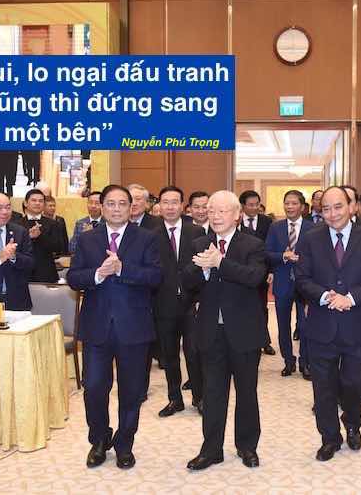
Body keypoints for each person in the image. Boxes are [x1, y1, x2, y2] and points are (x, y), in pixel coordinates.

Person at [67, 184, 161, 470]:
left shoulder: (147, 238)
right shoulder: (88, 239)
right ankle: (99, 439)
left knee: (131, 391)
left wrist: (122, 269)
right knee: (94, 388)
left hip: (134, 326)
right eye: (111, 203)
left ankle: (124, 444)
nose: (116, 209)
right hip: (96, 326)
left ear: (132, 207)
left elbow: (156, 276)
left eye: (122, 203)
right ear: (102, 206)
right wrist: (97, 274)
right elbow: (74, 277)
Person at [294, 186, 361, 461]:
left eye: (338, 207)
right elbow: (302, 278)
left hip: (358, 324)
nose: (332, 214)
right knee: (323, 387)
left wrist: (351, 298)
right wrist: (324, 296)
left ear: (352, 207)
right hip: (322, 325)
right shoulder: (310, 238)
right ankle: (329, 438)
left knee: (357, 384)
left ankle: (352, 420)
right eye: (326, 209)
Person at [184, 190, 268, 471]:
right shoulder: (200, 243)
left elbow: (254, 277)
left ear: (236, 215)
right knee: (213, 393)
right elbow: (187, 280)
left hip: (244, 331)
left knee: (246, 392)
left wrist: (220, 263)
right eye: (211, 211)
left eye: (222, 211)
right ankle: (211, 450)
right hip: (211, 330)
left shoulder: (252, 244)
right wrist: (204, 270)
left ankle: (247, 446)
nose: (215, 216)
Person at [152, 186, 206, 417]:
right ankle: (175, 399)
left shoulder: (196, 231)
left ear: (183, 206)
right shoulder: (150, 234)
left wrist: (201, 298)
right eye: (165, 202)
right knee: (169, 355)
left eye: (175, 202)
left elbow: (204, 266)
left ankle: (199, 397)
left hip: (191, 303)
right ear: (159, 206)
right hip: (163, 304)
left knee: (194, 352)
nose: (170, 207)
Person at [265, 190, 313, 378]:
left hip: (305, 284)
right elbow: (266, 253)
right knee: (283, 325)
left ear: (302, 206)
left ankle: (305, 362)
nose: (290, 207)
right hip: (283, 281)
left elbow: (319, 255)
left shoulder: (313, 228)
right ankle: (288, 361)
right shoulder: (275, 227)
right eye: (287, 203)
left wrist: (304, 259)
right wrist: (282, 256)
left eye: (294, 203)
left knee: (306, 325)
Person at [238, 190, 275, 356]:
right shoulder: (236, 221)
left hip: (261, 272)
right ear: (242, 206)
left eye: (257, 204)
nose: (254, 208)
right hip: (240, 271)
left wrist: (271, 270)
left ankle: (264, 341)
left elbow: (270, 248)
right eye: (250, 205)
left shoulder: (267, 222)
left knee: (261, 307)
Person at [12, 189, 60, 283]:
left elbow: (58, 247)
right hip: (22, 271)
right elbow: (13, 248)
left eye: (41, 201)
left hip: (46, 273)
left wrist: (40, 236)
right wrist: (28, 237)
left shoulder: (53, 223)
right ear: (26, 203)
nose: (37, 203)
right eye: (34, 200)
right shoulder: (16, 224)